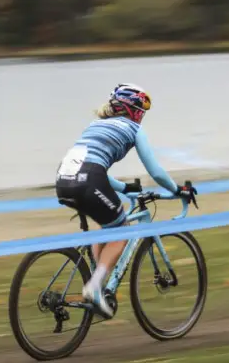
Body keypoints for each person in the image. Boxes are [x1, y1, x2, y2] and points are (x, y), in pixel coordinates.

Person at [55, 83, 197, 319]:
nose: (142, 118)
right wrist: (177, 189)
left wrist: (123, 188)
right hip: (89, 179)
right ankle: (94, 287)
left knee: (107, 222)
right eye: (141, 112)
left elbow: (93, 165)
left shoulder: (95, 125)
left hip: (63, 179)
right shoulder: (133, 129)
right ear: (133, 111)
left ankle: (96, 280)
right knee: (122, 230)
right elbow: (156, 172)